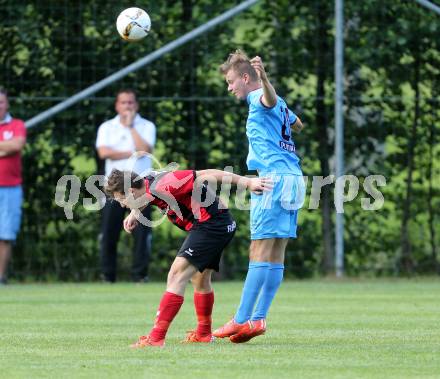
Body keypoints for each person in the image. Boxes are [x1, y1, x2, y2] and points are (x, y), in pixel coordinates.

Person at [104, 168, 271, 347]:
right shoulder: (145, 183)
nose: (122, 205)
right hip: (216, 224)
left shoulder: (167, 183)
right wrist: (134, 213)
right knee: (199, 279)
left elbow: (208, 173)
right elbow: (147, 195)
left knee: (176, 275)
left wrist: (248, 182)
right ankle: (204, 334)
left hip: (211, 225)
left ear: (130, 191)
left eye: (121, 199)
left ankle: (156, 338)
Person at [213, 50, 305, 343]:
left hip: (272, 180)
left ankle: (241, 319)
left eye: (230, 82)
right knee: (276, 251)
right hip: (294, 179)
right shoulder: (279, 107)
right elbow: (297, 124)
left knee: (259, 250)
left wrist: (264, 78)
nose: (229, 88)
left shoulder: (258, 98)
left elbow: (269, 99)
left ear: (245, 78)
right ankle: (258, 319)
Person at [96, 89, 156, 282]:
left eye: (131, 103)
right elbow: (104, 152)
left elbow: (145, 150)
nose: (127, 106)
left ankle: (140, 275)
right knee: (109, 232)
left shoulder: (146, 126)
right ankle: (108, 275)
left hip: (140, 190)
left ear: (136, 105)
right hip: (114, 190)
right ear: (117, 106)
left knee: (141, 233)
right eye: (123, 103)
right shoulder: (107, 127)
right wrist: (131, 151)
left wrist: (131, 127)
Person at [0, 87, 26, 285]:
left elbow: (16, 145)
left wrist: (8, 148)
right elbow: (9, 147)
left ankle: (1, 278)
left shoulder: (17, 125)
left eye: (1, 102)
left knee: (6, 234)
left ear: (7, 104)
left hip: (10, 188)